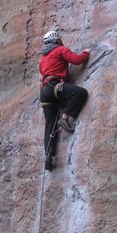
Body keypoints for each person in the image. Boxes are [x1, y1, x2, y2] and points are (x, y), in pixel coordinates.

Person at [39, 30, 90, 171]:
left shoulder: (42, 59)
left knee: (50, 124)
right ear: (57, 40)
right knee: (80, 93)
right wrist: (86, 52)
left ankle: (49, 155)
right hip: (55, 86)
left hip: (45, 93)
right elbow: (76, 60)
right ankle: (65, 117)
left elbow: (44, 73)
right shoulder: (61, 50)